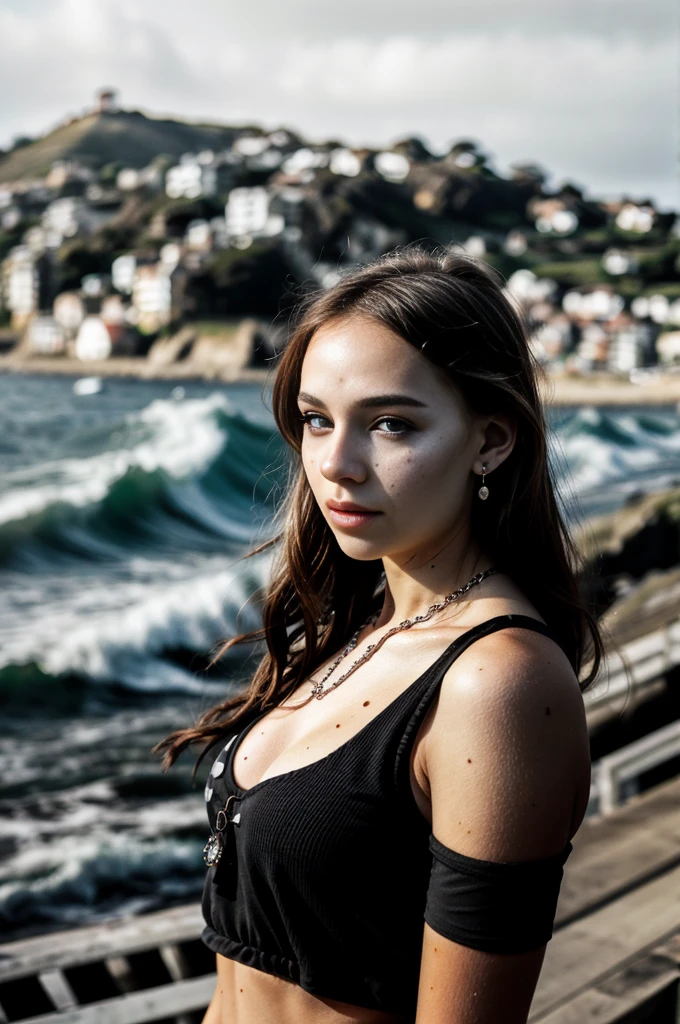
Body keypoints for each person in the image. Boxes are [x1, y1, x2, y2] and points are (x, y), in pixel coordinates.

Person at [153, 244, 602, 1024]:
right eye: (317, 420)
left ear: (492, 440)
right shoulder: (369, 628)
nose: (335, 464)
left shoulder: (498, 683)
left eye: (391, 424)